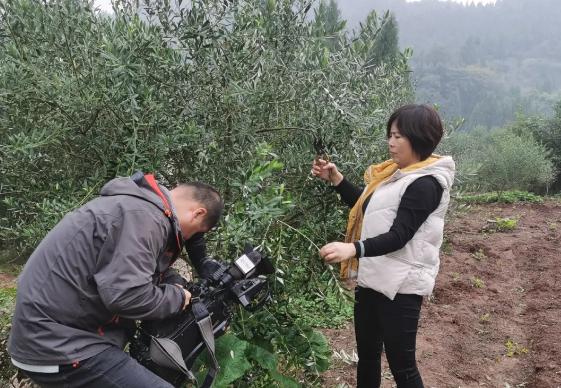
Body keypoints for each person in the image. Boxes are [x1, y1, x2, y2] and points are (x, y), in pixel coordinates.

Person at [7, 171, 224, 388]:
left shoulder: (137, 207)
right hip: (56, 343)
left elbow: (143, 268)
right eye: (192, 233)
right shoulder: (145, 219)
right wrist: (177, 297)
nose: (186, 239)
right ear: (197, 213)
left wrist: (177, 279)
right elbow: (127, 296)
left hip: (50, 334)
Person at [311, 104, 455, 388]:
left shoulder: (426, 183)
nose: (391, 142)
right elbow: (368, 208)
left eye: (398, 136)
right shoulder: (394, 175)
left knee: (403, 368)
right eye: (390, 134)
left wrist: (352, 249)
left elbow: (400, 235)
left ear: (419, 137)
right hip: (373, 279)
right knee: (367, 357)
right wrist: (337, 180)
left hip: (401, 287)